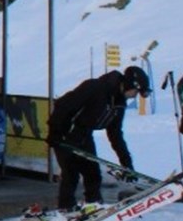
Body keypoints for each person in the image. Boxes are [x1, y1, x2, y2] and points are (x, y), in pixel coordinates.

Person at [46, 65, 149, 210]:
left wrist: (126, 163)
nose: (135, 96)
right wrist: (54, 132)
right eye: (136, 92)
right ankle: (65, 207)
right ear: (129, 84)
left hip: (84, 134)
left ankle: (93, 204)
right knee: (71, 174)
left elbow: (115, 135)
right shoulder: (95, 87)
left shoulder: (119, 103)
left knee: (93, 173)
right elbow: (63, 105)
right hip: (65, 133)